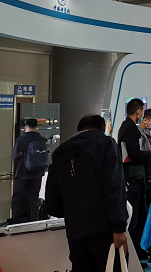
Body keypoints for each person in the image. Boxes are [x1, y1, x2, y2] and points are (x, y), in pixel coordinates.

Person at [46, 115, 128, 272]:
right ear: (102, 129)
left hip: (75, 230)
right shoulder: (106, 144)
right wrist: (119, 227)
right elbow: (114, 186)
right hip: (104, 228)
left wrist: (71, 212)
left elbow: (52, 202)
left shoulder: (60, 152)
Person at [118, 98, 151, 266]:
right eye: (142, 111)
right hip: (134, 177)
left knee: (141, 215)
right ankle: (133, 256)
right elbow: (134, 154)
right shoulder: (130, 128)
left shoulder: (126, 127)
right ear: (138, 112)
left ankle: (139, 252)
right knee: (134, 218)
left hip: (136, 176)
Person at [11, 118, 48, 223]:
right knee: (34, 197)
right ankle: (33, 219)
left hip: (22, 173)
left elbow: (14, 156)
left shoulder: (21, 139)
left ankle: (15, 219)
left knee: (17, 197)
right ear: (36, 127)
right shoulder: (41, 139)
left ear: (25, 126)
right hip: (37, 173)